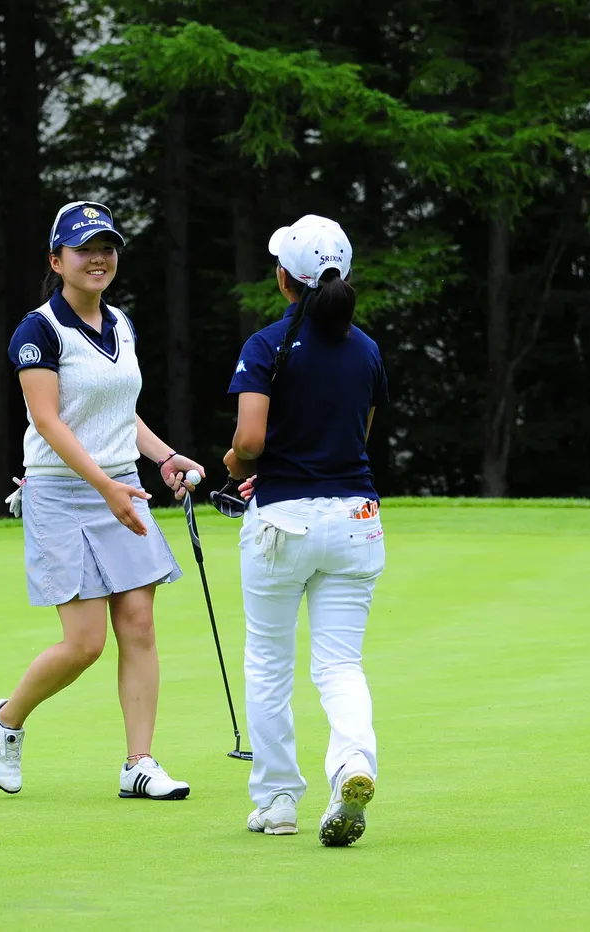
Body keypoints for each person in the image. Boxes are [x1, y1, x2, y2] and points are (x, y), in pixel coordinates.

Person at [0, 201, 204, 801]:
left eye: (106, 248)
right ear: (57, 261)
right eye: (84, 249)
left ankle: (139, 763)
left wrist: (164, 457)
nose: (98, 258)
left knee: (139, 624)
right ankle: (5, 721)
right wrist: (105, 486)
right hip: (61, 493)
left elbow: (119, 413)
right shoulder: (38, 331)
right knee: (85, 644)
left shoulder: (121, 323)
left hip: (121, 484)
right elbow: (48, 421)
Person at [222, 214, 388, 846]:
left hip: (282, 523)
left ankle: (278, 801)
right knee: (341, 664)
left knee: (268, 663)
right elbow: (358, 434)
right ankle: (353, 764)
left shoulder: (265, 344)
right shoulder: (366, 349)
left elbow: (250, 441)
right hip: (355, 521)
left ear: (283, 279)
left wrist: (236, 465)